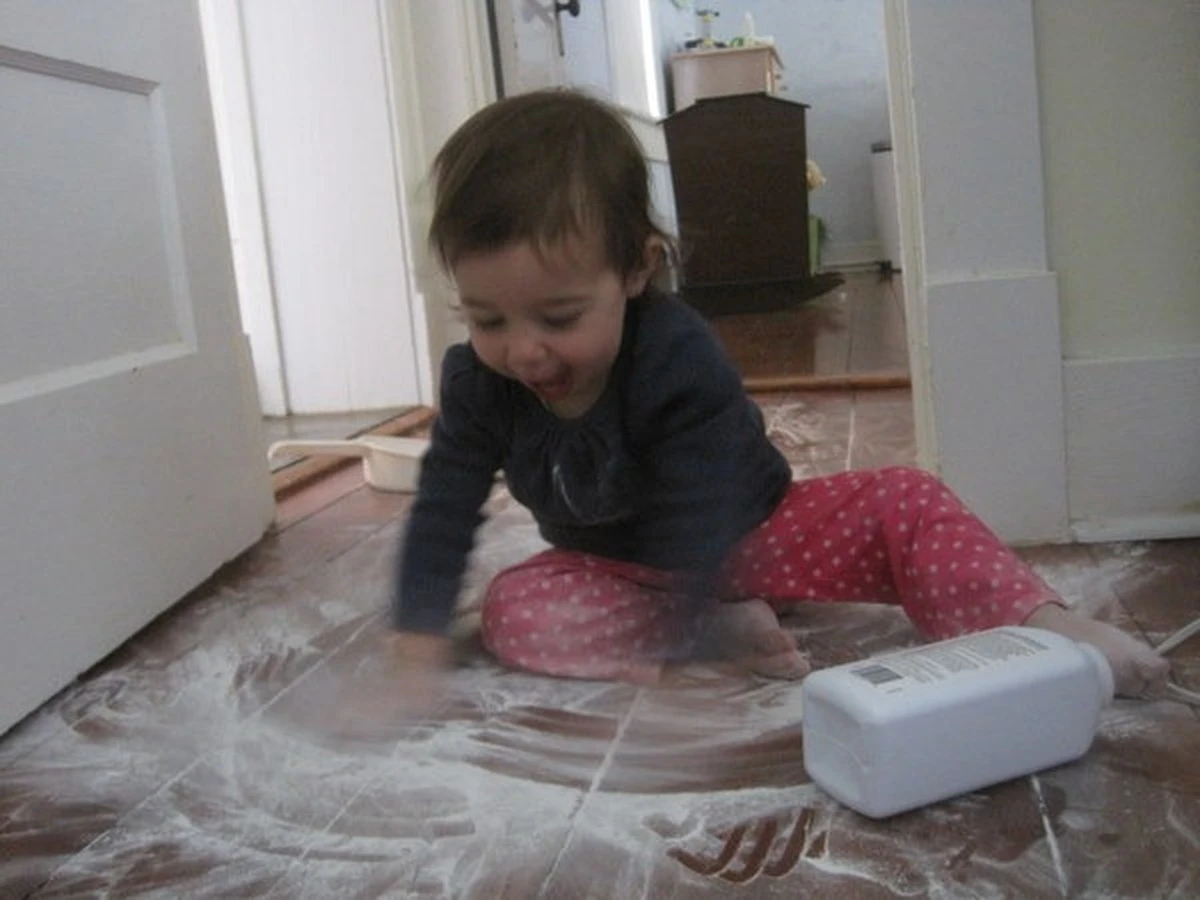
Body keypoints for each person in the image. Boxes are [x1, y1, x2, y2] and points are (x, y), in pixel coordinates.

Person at [385, 88, 1167, 700]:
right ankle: (718, 629)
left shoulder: (676, 354)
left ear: (637, 269)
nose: (523, 350)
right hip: (615, 570)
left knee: (905, 499)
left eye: (559, 316)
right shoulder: (479, 382)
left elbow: (701, 507)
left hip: (752, 531)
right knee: (511, 612)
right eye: (486, 317)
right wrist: (417, 636)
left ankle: (1049, 628)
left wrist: (689, 616)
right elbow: (446, 502)